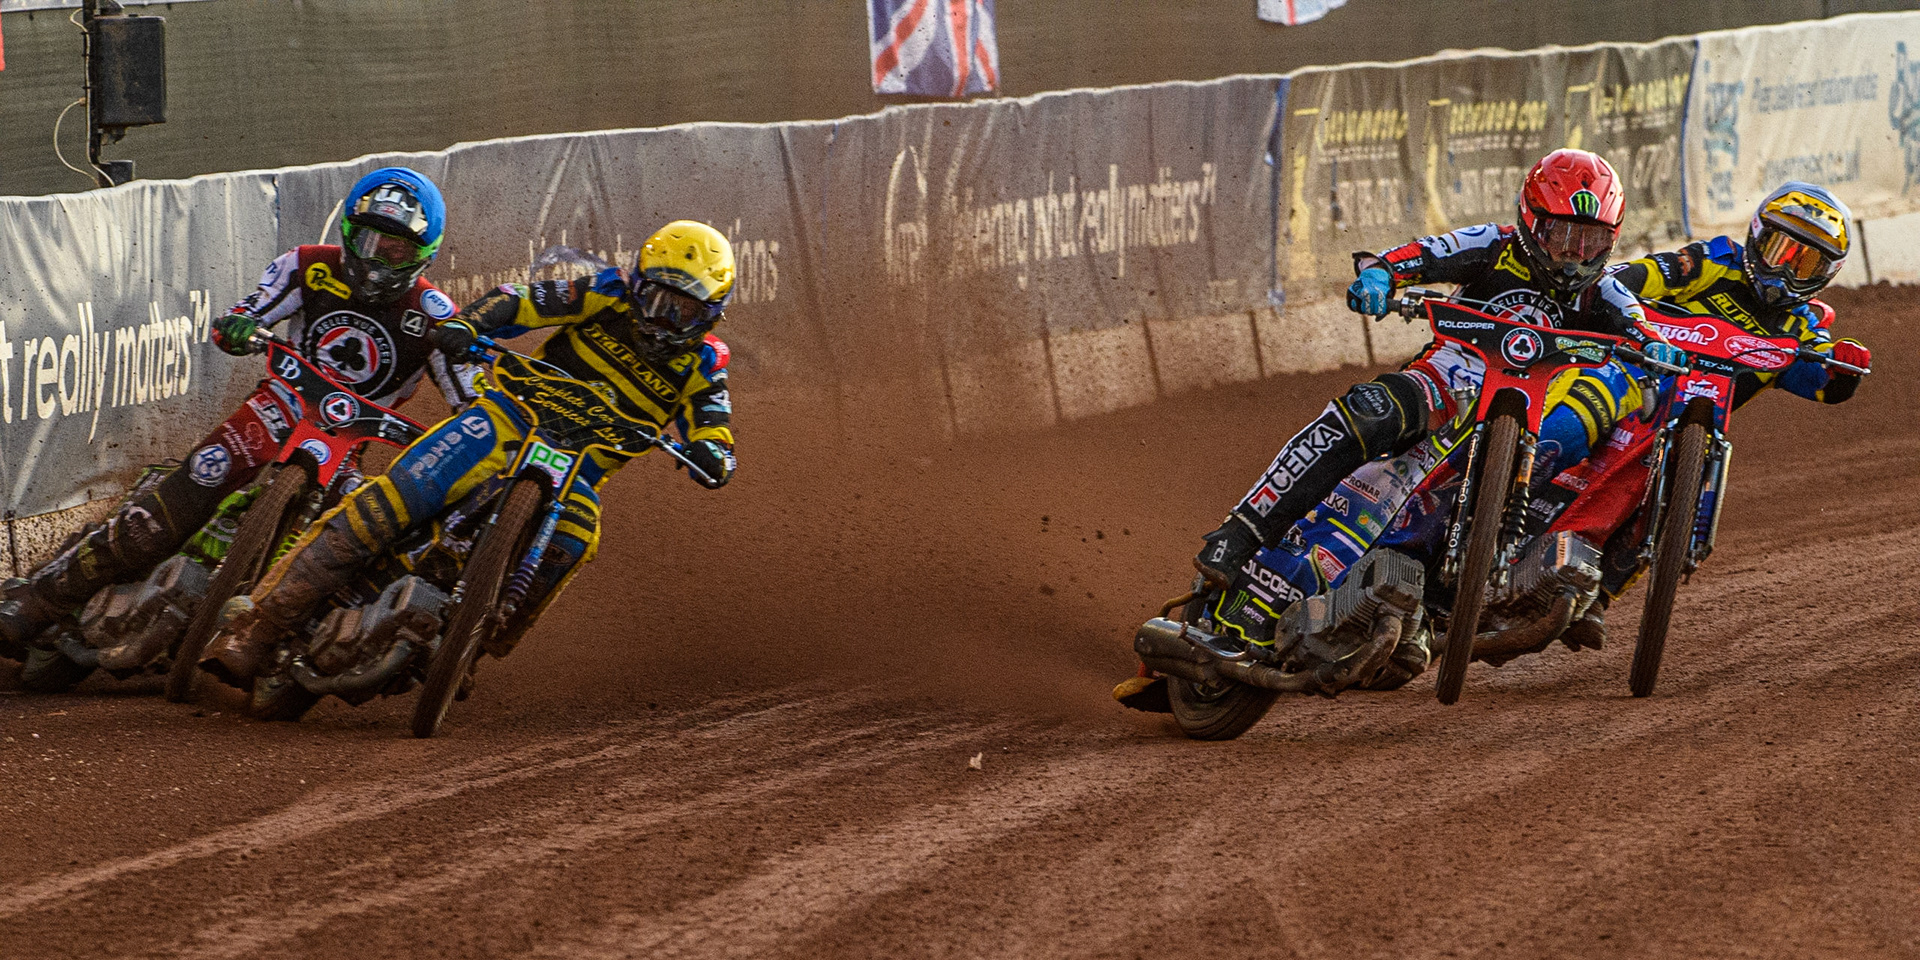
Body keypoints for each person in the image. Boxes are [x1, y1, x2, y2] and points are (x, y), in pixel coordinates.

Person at [198, 220, 740, 688]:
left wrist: (714, 454)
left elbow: (714, 423)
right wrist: (468, 324)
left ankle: (476, 642)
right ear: (637, 283)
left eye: (683, 310)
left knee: (578, 539)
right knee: (402, 495)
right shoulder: (605, 291)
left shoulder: (706, 364)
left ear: (711, 314)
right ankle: (260, 624)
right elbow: (522, 301)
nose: (664, 318)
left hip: (580, 468)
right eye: (656, 299)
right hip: (510, 416)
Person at [1192, 148, 1683, 656]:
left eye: (1592, 240)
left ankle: (1439, 606)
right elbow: (1415, 256)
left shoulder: (1604, 291)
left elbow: (1643, 330)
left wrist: (1656, 349)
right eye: (1561, 235)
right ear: (1531, 221)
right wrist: (1382, 277)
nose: (1573, 254)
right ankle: (1241, 533)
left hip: (1521, 429)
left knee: (1550, 491)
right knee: (1369, 412)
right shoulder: (1494, 244)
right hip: (1444, 384)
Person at [0, 167, 471, 668]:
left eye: (395, 249)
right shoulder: (307, 266)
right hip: (276, 409)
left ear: (423, 253)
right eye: (371, 240)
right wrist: (240, 324)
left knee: (347, 554)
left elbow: (470, 403)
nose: (378, 259)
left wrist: (469, 432)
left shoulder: (437, 314)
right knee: (177, 499)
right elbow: (252, 311)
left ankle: (277, 652)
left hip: (348, 449)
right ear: (349, 233)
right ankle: (38, 599)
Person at [1566, 180, 1869, 646]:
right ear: (1756, 237)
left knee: (1671, 503)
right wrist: (1614, 298)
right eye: (1781, 249)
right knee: (1573, 424)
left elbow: (1823, 386)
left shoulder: (1802, 325)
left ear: (1826, 274)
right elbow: (1633, 277)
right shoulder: (1712, 261)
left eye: (1805, 262)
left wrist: (1844, 369)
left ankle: (1596, 597)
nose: (1786, 270)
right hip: (1630, 382)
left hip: (1688, 430)